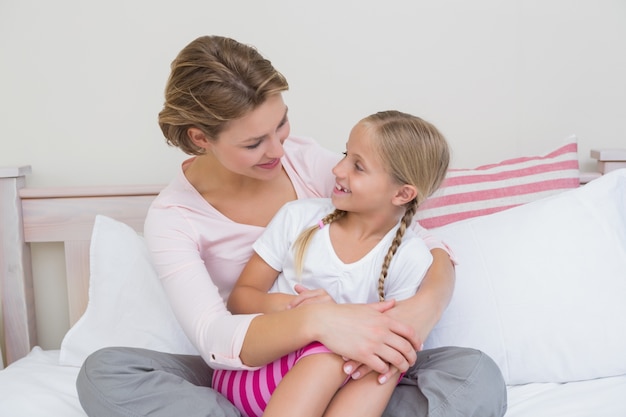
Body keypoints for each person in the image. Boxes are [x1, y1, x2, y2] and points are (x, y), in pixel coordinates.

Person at [75, 35, 507, 417]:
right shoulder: (174, 217)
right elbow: (214, 334)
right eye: (253, 142)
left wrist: (420, 312)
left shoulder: (309, 164)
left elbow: (422, 244)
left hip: (352, 362)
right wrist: (321, 321)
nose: (278, 149)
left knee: (473, 375)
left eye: (281, 124)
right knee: (105, 373)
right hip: (249, 365)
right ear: (200, 138)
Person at [213, 110, 451, 417]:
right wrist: (311, 314)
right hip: (255, 374)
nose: (338, 169)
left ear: (402, 193)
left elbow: (387, 345)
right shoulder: (297, 217)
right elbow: (240, 298)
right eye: (345, 154)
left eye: (358, 166)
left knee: (388, 358)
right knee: (331, 353)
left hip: (334, 394)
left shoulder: (411, 256)